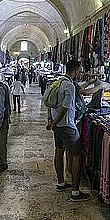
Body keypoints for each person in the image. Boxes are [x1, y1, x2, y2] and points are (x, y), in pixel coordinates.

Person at [46, 59, 91, 202]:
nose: (80, 73)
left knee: (59, 151)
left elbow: (50, 104)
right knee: (77, 155)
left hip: (58, 126)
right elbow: (65, 109)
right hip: (66, 126)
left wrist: (51, 120)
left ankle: (61, 182)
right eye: (80, 70)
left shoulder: (57, 82)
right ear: (76, 70)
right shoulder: (69, 86)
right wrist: (54, 122)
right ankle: (75, 193)